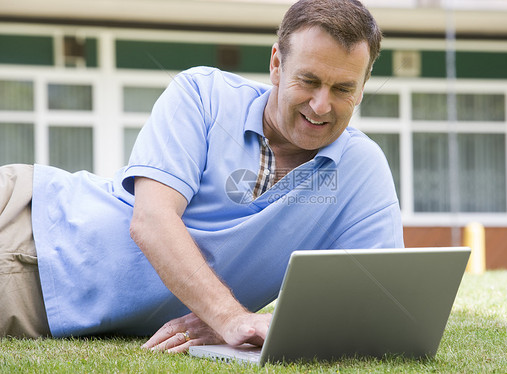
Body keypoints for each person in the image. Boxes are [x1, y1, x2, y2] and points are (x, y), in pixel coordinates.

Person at [0, 0, 403, 353]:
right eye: (309, 81)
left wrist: (245, 322)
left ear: (363, 87)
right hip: (26, 215)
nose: (320, 105)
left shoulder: (363, 168)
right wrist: (229, 317)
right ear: (277, 64)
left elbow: (380, 307)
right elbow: (152, 219)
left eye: (342, 89)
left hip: (43, 296)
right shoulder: (202, 94)